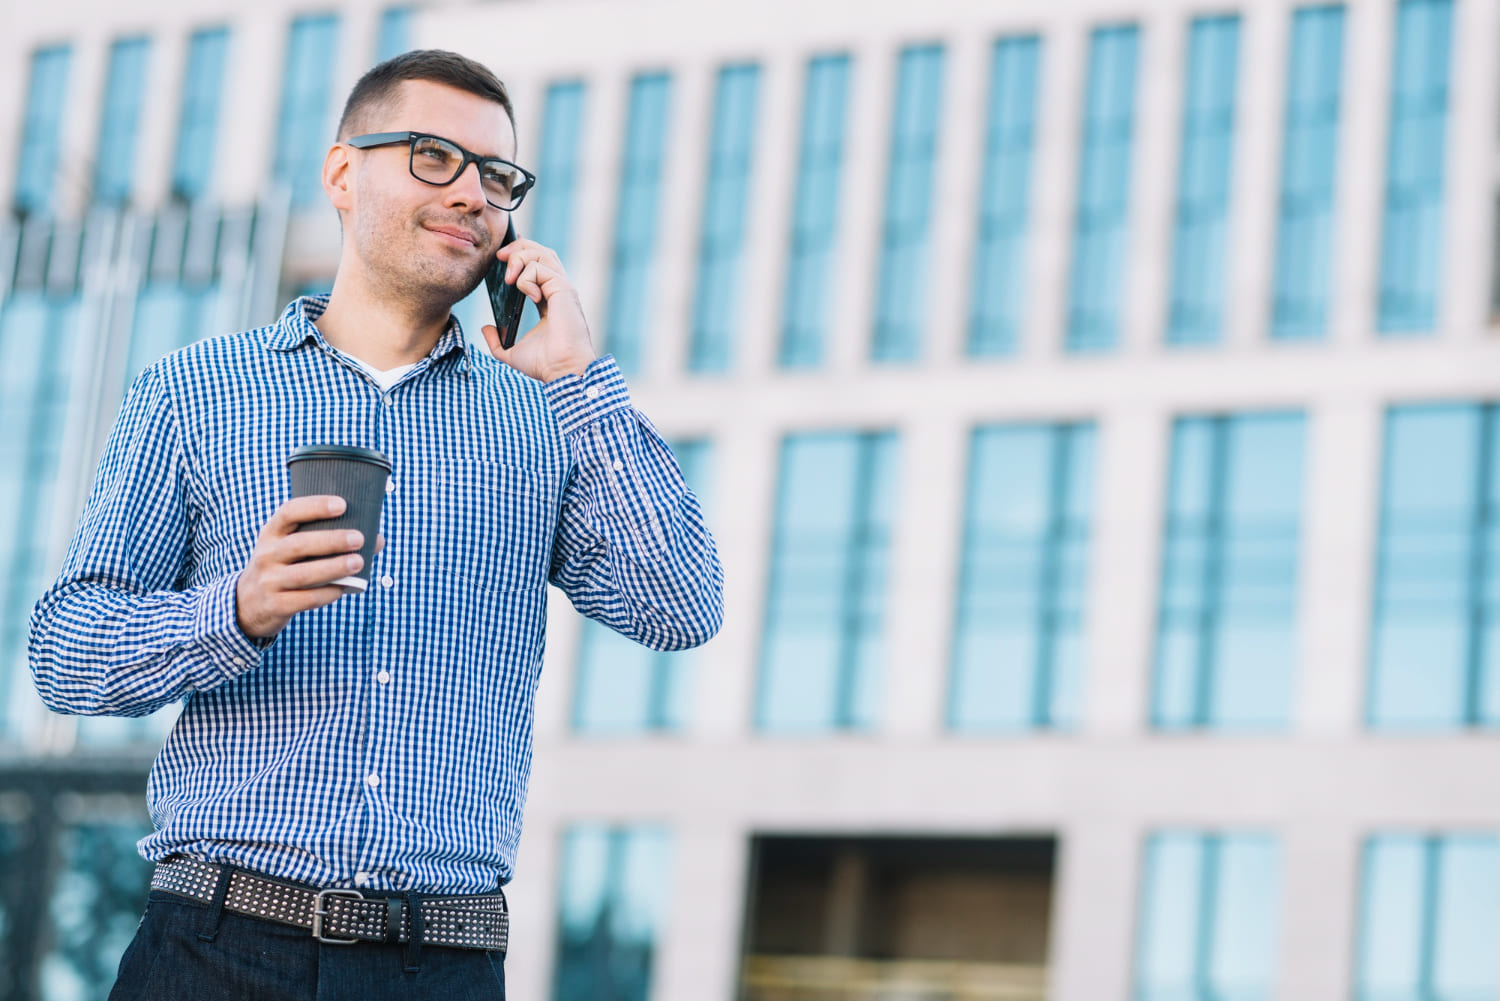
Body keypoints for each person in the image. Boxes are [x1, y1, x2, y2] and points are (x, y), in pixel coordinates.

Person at [28, 49, 723, 1000]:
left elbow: (681, 605)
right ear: (344, 174)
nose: (473, 193)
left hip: (441, 960)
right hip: (212, 949)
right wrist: (235, 610)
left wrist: (577, 383)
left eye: (497, 176)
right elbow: (65, 653)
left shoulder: (544, 414)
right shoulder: (195, 391)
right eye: (435, 156)